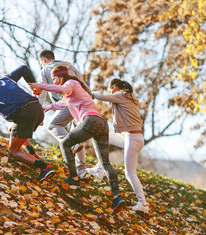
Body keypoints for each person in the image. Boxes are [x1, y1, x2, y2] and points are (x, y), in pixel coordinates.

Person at [29, 65, 126, 211]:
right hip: (101, 124)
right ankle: (117, 197)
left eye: (54, 78)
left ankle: (74, 178)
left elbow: (62, 89)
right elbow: (61, 104)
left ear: (60, 76)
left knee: (65, 144)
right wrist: (45, 108)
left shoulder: (70, 84)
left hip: (90, 121)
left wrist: (39, 86)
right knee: (105, 163)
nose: (54, 82)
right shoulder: (73, 90)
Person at [88, 79, 150, 213]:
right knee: (104, 136)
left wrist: (88, 92)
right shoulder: (128, 97)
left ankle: (143, 204)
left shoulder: (122, 95)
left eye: (110, 89)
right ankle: (99, 170)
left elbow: (101, 96)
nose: (110, 92)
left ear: (115, 88)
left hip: (132, 138)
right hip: (130, 137)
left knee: (130, 172)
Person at [37, 49, 89, 179]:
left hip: (67, 103)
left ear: (43, 60)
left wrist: (38, 111)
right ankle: (82, 171)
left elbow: (41, 93)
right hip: (82, 104)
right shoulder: (70, 66)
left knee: (52, 126)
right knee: (76, 135)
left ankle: (73, 145)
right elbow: (83, 83)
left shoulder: (45, 70)